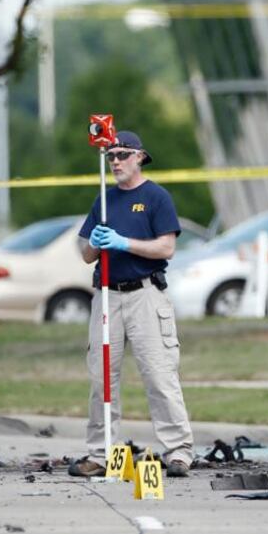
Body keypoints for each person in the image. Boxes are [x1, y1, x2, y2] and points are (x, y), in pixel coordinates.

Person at [69, 130, 194, 478]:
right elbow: (86, 255)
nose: (116, 162)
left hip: (144, 294)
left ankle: (179, 451)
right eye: (111, 156)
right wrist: (94, 243)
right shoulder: (104, 201)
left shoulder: (156, 197)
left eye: (122, 154)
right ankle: (100, 452)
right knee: (101, 378)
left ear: (140, 156)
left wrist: (124, 242)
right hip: (107, 296)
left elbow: (166, 248)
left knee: (159, 374)